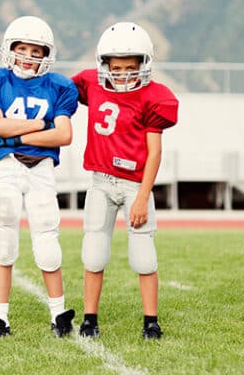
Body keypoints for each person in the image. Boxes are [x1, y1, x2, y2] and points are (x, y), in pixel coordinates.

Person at [72, 22, 178, 340]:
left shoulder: (155, 97)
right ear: (104, 64)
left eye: (130, 67)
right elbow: (61, 91)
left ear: (143, 65)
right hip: (100, 181)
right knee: (93, 252)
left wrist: (144, 196)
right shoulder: (91, 83)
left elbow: (154, 152)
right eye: (115, 67)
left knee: (144, 256)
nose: (122, 74)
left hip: (134, 184)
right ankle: (90, 319)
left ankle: (151, 321)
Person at [0, 16, 78, 338]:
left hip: (41, 167)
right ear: (10, 50)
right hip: (4, 165)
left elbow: (64, 135)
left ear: (47, 54)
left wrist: (15, 133)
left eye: (36, 50)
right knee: (4, 240)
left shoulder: (59, 85)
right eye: (22, 49)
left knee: (47, 237)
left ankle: (58, 313)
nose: (29, 56)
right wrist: (40, 126)